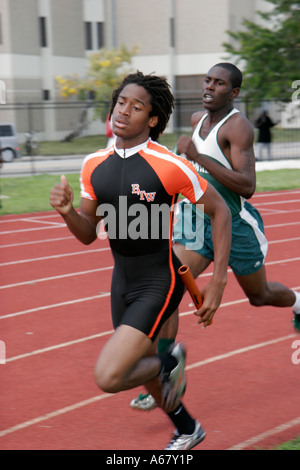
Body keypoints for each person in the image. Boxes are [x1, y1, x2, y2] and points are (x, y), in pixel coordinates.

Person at [49, 71, 232, 450]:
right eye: (121, 102)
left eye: (137, 107)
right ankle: (187, 428)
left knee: (110, 376)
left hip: (158, 282)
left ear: (152, 120)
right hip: (122, 283)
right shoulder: (94, 164)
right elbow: (87, 234)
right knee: (139, 369)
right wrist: (68, 211)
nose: (124, 111)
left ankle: (169, 360)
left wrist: (217, 282)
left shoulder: (169, 165)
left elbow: (220, 213)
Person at [130, 62, 300, 412]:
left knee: (260, 295)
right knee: (166, 290)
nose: (209, 86)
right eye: (207, 80)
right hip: (196, 220)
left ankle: (298, 302)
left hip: (234, 223)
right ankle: (164, 370)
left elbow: (247, 186)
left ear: (233, 92)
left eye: (219, 83)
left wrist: (198, 155)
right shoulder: (196, 121)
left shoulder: (238, 128)